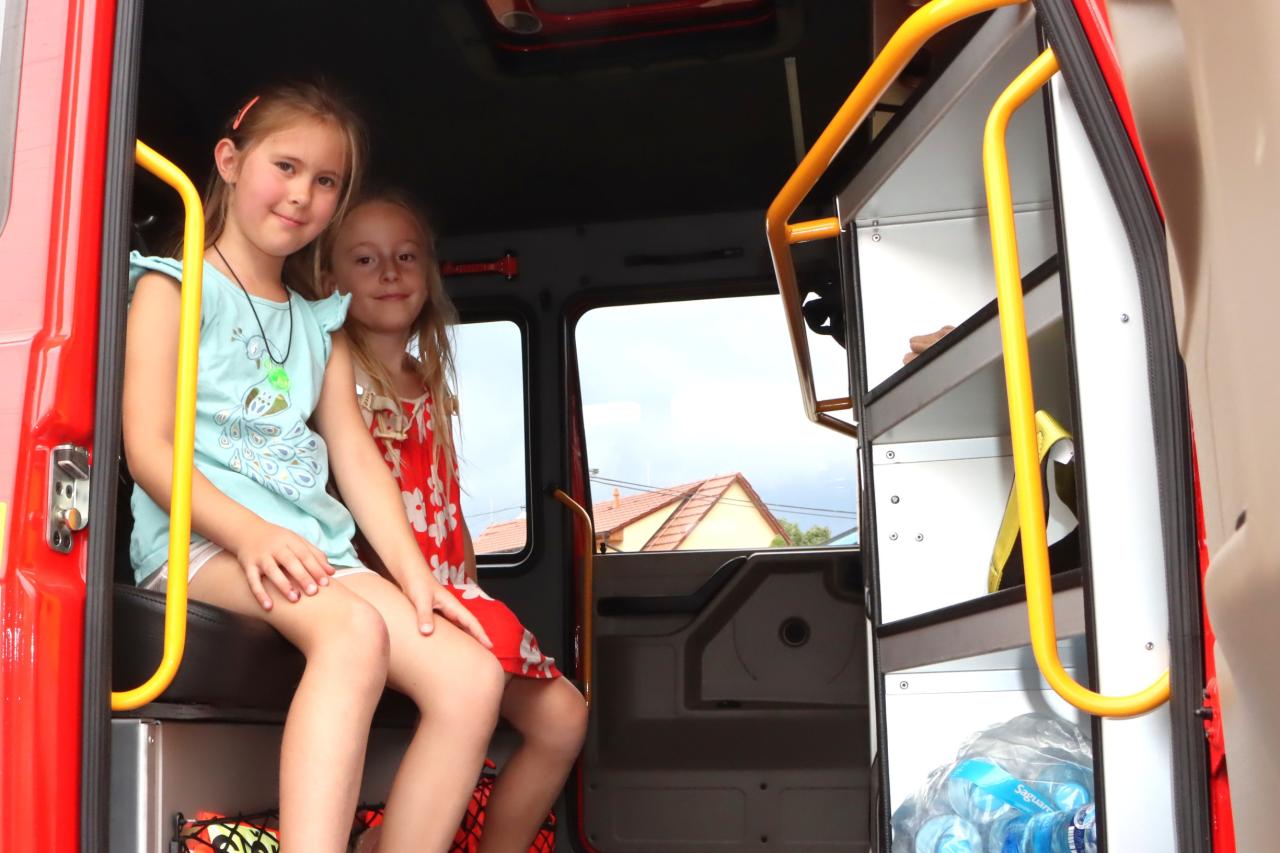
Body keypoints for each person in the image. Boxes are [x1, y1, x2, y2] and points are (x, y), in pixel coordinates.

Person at [123, 84, 501, 853]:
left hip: (314, 549)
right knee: (353, 631)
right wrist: (251, 533)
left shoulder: (316, 323)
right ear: (230, 161)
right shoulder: (172, 287)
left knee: (473, 678)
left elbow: (355, 458)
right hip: (204, 542)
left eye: (326, 180)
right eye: (286, 166)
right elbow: (148, 445)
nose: (302, 194)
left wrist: (416, 576)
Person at [324, 191, 589, 852]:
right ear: (330, 279)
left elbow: (444, 498)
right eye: (366, 259)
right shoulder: (336, 372)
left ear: (430, 273)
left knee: (564, 718)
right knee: (480, 688)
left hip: (449, 584)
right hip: (378, 583)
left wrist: (469, 582)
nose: (390, 272)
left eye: (406, 256)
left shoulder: (425, 377)